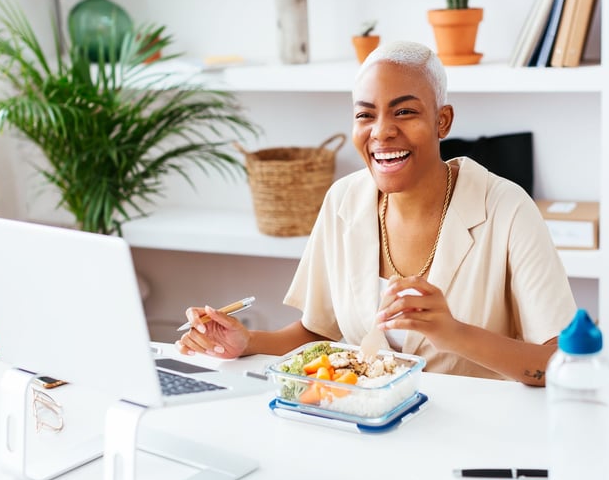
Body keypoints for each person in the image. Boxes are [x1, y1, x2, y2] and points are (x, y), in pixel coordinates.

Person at [176, 41, 576, 386]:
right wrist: (248, 342)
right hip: (369, 425)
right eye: (365, 115)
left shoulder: (508, 209)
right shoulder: (342, 201)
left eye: (404, 112)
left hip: (473, 437)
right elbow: (319, 331)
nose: (381, 131)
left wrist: (452, 333)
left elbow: (559, 365)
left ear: (442, 120)